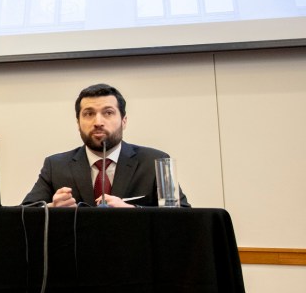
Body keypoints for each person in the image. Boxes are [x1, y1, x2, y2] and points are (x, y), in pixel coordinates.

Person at [21, 83, 190, 208]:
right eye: (89, 114)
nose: (98, 122)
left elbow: (182, 215)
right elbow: (23, 213)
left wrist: (133, 210)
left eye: (108, 113)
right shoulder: (56, 165)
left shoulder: (153, 161)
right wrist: (51, 208)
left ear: (124, 121)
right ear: (78, 123)